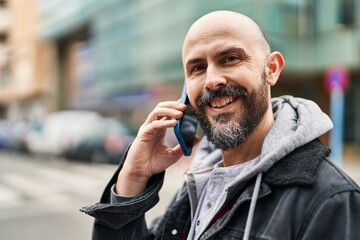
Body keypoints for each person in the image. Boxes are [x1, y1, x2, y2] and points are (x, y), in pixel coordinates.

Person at [81, 10, 360, 240]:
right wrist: (132, 178)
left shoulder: (331, 199)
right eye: (197, 68)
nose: (212, 80)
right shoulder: (199, 184)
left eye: (230, 59)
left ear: (271, 69)